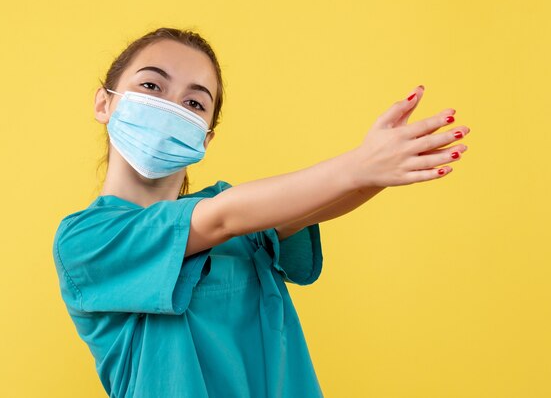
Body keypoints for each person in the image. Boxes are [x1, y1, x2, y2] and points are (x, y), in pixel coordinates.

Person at [52, 27, 470, 398]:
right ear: (104, 103)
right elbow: (221, 218)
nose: (172, 108)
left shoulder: (241, 219)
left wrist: (381, 168)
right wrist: (360, 163)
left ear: (206, 138)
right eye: (152, 86)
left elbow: (311, 207)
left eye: (195, 103)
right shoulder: (88, 240)